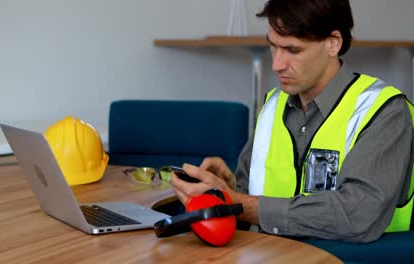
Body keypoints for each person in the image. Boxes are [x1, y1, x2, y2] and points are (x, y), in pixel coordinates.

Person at [171, 0, 414, 243]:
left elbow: (357, 214)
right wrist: (227, 190)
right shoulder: (271, 107)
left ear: (333, 43)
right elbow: (246, 207)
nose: (276, 64)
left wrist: (239, 204)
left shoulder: (384, 110)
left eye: (293, 50)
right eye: (273, 47)